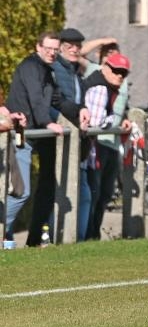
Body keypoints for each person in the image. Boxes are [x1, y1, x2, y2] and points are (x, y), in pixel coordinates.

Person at [4, 31, 89, 246]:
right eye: (48, 49)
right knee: (21, 192)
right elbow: (36, 99)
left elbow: (58, 101)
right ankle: (5, 233)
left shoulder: (47, 71)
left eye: (54, 49)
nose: (51, 53)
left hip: (35, 135)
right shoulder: (31, 67)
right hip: (21, 134)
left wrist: (81, 109)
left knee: (47, 187)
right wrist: (47, 123)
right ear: (38, 47)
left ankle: (29, 241)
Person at [82, 53, 132, 240]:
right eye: (117, 71)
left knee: (104, 193)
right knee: (96, 193)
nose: (120, 76)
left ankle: (93, 234)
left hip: (105, 145)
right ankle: (88, 235)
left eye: (124, 73)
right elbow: (96, 122)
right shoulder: (100, 88)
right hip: (95, 147)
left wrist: (122, 121)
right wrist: (116, 122)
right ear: (105, 68)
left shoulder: (110, 87)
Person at [51, 27, 92, 241]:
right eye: (70, 46)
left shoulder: (74, 71)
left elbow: (77, 100)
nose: (74, 50)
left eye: (78, 46)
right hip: (62, 136)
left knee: (83, 194)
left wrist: (83, 109)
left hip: (77, 137)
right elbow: (58, 102)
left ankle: (78, 239)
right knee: (61, 192)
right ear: (61, 47)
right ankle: (56, 238)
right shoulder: (57, 69)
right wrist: (78, 113)